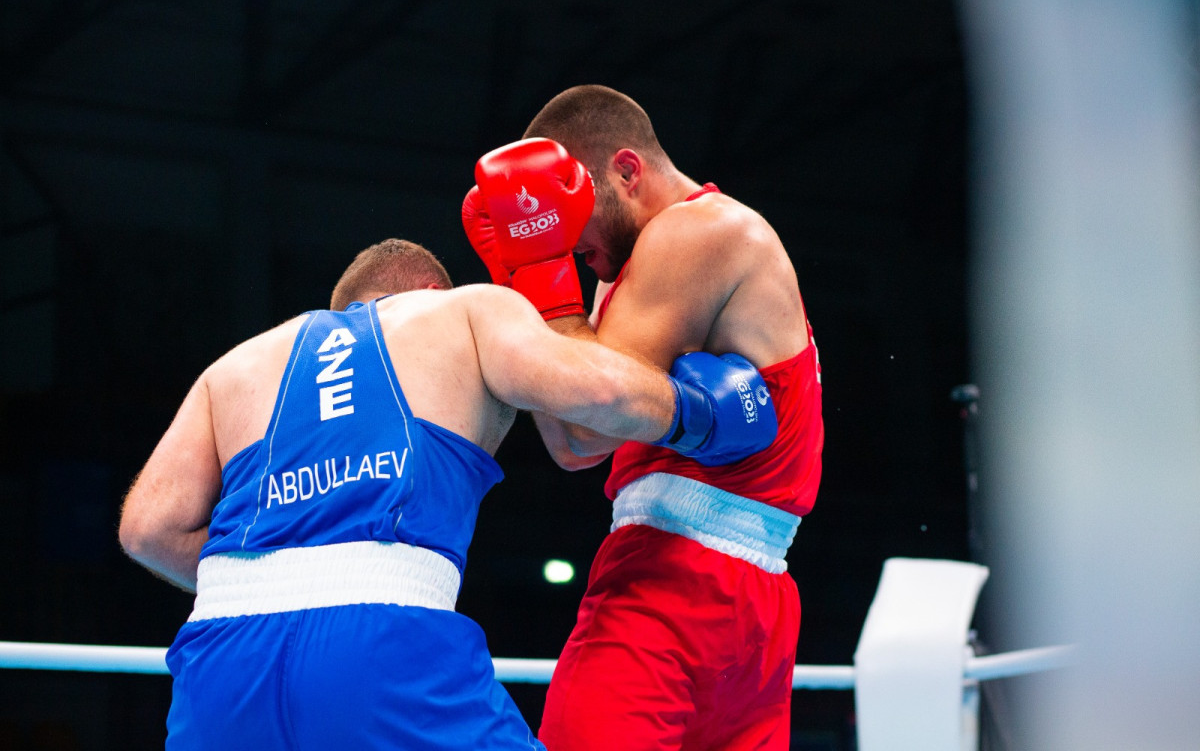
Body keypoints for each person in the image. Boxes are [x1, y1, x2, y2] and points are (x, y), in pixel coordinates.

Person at [118, 238, 778, 751]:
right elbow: (597, 394)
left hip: (219, 665)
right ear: (430, 290)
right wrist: (699, 414)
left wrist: (279, 569)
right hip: (380, 646)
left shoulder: (237, 364)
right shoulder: (463, 310)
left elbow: (146, 530)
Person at [462, 85, 824, 750]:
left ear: (626, 173)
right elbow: (573, 447)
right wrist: (527, 280)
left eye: (571, 213)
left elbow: (589, 418)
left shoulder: (698, 230)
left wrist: (535, 273)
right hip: (751, 604)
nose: (570, 245)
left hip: (673, 583)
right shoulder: (626, 271)